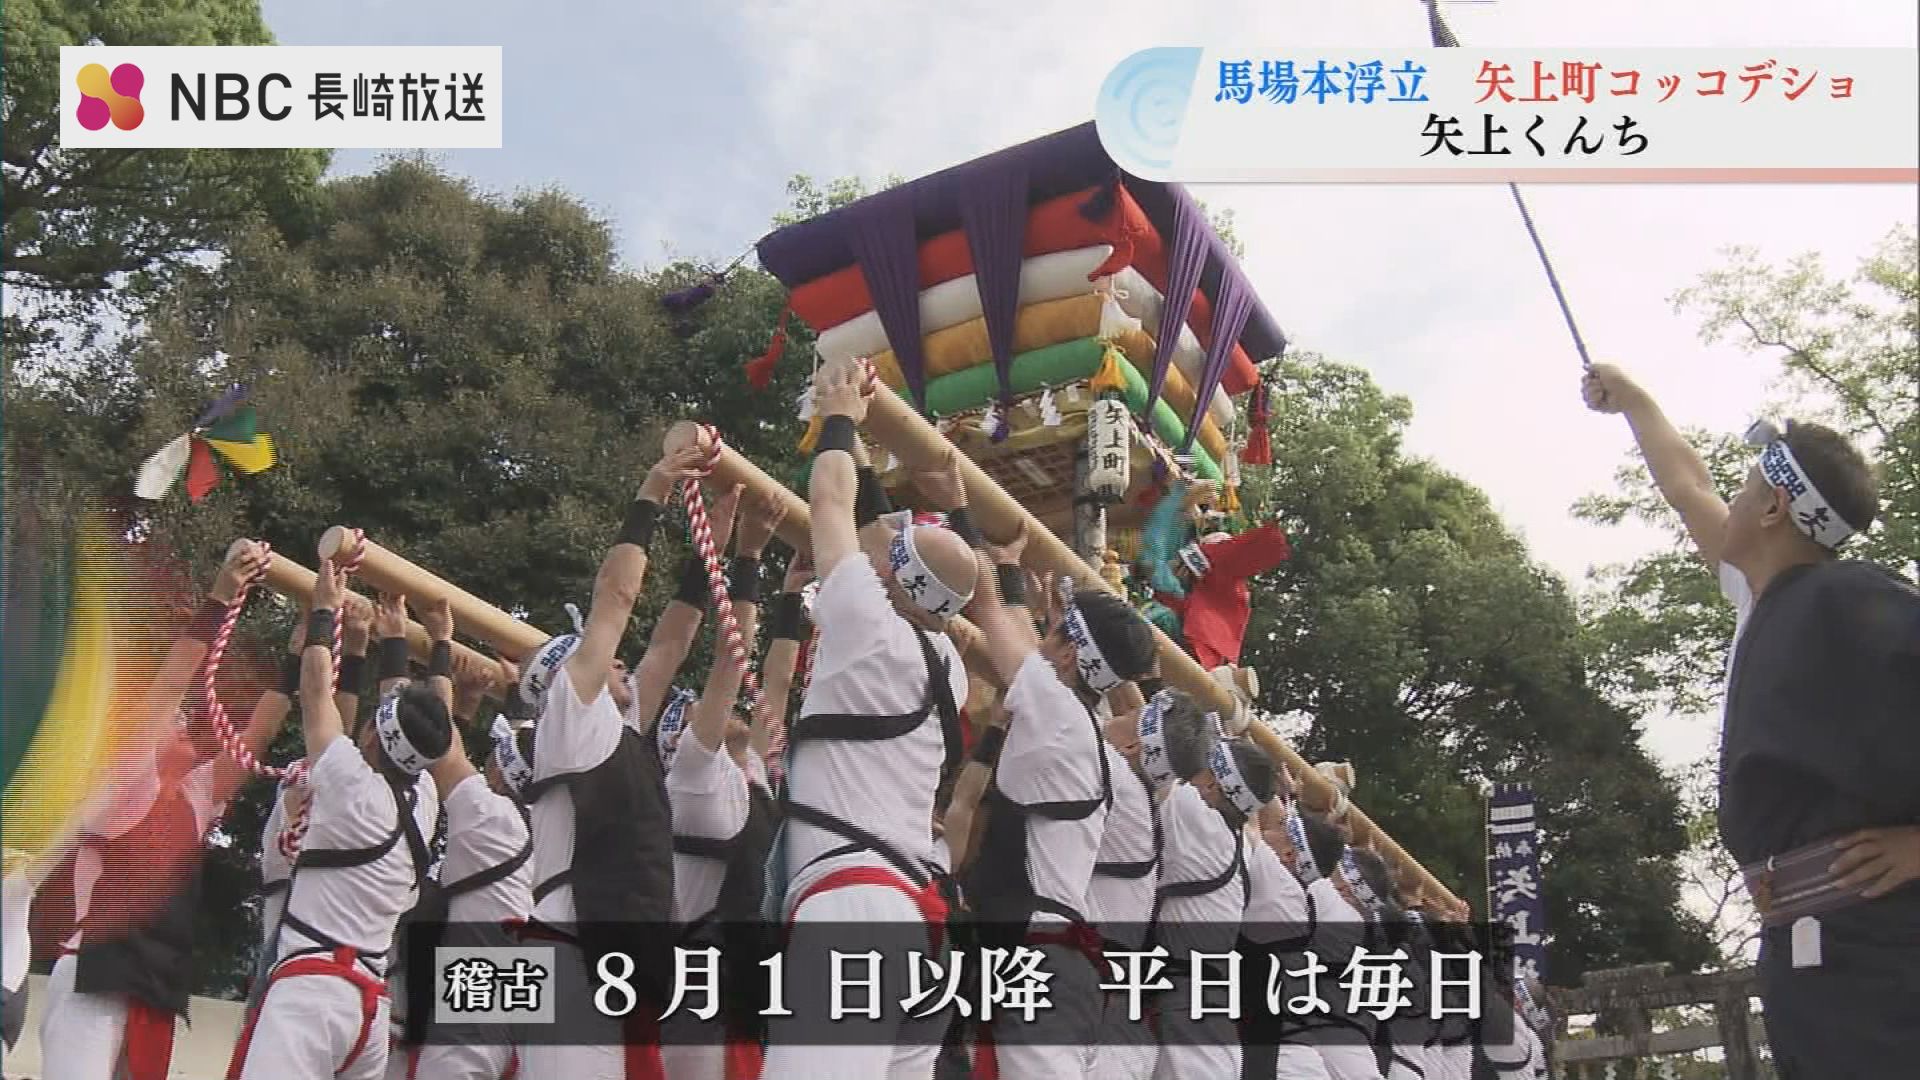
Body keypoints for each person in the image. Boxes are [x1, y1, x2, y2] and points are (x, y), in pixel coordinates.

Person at [1582, 363, 1920, 1076]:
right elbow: (1685, 485)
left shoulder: (1855, 602)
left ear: (1773, 509)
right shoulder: (1761, 599)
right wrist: (1635, 401)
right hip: (1802, 946)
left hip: (1882, 943)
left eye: (1742, 489)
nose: (1725, 501)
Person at [761, 355, 976, 1080]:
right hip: (913, 924)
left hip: (850, 909)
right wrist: (866, 443)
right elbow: (893, 544)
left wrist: (839, 416)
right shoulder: (948, 666)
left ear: (889, 578)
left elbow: (829, 502)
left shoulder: (862, 622)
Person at [40, 542, 285, 1080]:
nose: (184, 727)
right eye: (176, 724)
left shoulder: (193, 800)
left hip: (154, 986)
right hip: (93, 974)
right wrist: (222, 594)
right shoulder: (121, 783)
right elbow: (169, 686)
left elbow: (257, 736)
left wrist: (313, 639)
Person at [514, 443, 704, 1080]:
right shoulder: (571, 718)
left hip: (615, 961)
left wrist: (723, 541)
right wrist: (653, 490)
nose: (620, 661)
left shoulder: (618, 735)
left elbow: (672, 643)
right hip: (570, 958)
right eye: (600, 657)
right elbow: (618, 596)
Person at [228, 553, 450, 1080]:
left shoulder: (351, 784)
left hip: (311, 992)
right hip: (367, 1012)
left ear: (372, 737)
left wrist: (325, 609)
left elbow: (314, 693)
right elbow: (412, 719)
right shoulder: (424, 800)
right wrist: (403, 641)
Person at [956, 507, 1158, 1080]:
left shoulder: (1060, 714)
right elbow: (1021, 639)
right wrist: (1015, 576)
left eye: (1055, 630)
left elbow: (988, 611)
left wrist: (965, 514)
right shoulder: (1081, 728)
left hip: (1037, 953)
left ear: (1070, 654)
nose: (1042, 637)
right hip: (1056, 952)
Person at [656, 491, 785, 1080]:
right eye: (685, 710)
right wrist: (749, 554)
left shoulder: (747, 774)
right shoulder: (691, 776)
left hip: (735, 983)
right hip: (696, 990)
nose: (704, 708)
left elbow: (771, 684)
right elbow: (730, 665)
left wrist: (793, 595)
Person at [407, 651, 534, 1080]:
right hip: (522, 1012)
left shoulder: (490, 818)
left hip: (464, 1011)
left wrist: (442, 648)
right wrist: (514, 693)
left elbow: (439, 745)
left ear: (498, 774)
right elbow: (523, 758)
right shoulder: (555, 835)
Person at [1137, 689, 1248, 1080]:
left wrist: (1142, 680)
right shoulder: (1243, 844)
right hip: (1205, 1004)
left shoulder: (1196, 817)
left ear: (1215, 784)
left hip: (1193, 1007)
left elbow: (1155, 745)